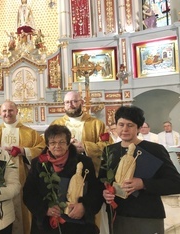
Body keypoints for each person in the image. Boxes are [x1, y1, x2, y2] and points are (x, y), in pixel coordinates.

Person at [101, 106, 180, 234]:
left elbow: (175, 183)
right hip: (118, 215)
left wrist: (143, 183)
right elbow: (102, 180)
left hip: (146, 215)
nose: (125, 129)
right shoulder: (109, 151)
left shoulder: (155, 150)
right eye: (121, 124)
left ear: (138, 128)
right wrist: (105, 192)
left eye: (130, 125)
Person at [23, 125, 103, 234]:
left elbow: (96, 190)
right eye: (52, 143)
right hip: (47, 225)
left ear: (68, 143)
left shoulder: (84, 162)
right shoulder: (38, 164)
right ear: (47, 145)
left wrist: (84, 206)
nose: (57, 146)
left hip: (77, 225)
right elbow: (29, 193)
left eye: (61, 142)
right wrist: (45, 209)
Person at [0, 100, 46, 234]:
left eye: (10, 110)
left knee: (22, 211)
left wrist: (24, 151)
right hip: (0, 180)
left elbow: (42, 148)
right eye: (4, 111)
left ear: (17, 111)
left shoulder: (30, 133)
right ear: (0, 113)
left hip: (23, 178)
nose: (7, 113)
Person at [50, 91, 109, 175]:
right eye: (67, 102)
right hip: (62, 168)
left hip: (88, 169)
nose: (70, 105)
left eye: (74, 101)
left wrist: (85, 147)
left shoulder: (96, 124)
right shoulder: (56, 124)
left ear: (82, 102)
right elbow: (47, 145)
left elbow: (107, 145)